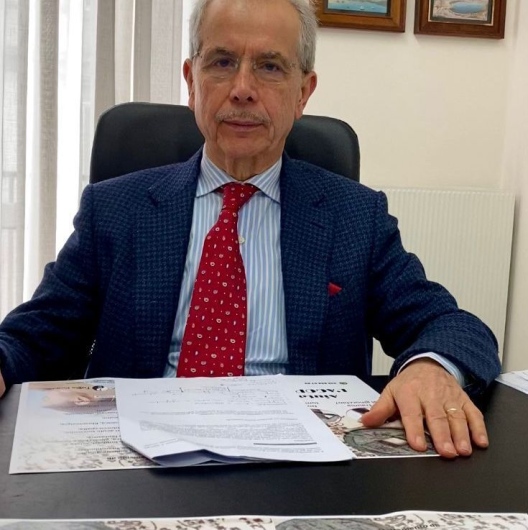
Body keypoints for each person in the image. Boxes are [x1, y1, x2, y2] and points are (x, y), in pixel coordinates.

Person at [0, 0, 500, 459]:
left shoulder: (354, 217)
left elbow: (451, 325)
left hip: (298, 469)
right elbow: (36, 336)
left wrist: (431, 368)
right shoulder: (115, 208)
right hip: (138, 461)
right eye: (221, 62)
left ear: (303, 93)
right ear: (191, 80)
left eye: (270, 66)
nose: (242, 88)